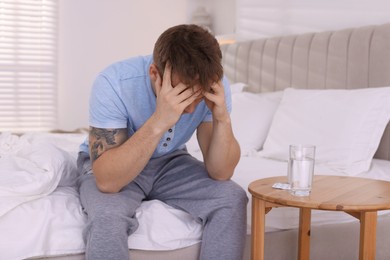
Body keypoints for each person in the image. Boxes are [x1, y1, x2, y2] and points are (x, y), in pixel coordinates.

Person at [77, 24, 248, 260]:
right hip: (113, 162)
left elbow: (220, 172)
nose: (188, 109)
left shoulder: (215, 85)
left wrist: (222, 118)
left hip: (169, 162)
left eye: (196, 97)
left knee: (231, 197)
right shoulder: (114, 82)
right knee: (108, 215)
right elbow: (108, 182)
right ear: (155, 74)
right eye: (181, 94)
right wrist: (160, 119)